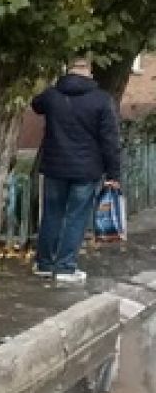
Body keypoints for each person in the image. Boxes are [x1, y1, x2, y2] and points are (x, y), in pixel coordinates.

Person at [32, 56, 122, 286]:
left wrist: (55, 85)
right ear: (89, 73)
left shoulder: (52, 96)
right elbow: (109, 140)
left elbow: (35, 104)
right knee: (76, 217)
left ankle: (44, 264)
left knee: (52, 214)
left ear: (68, 71)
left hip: (55, 167)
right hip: (86, 169)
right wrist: (113, 175)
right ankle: (65, 267)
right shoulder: (101, 100)